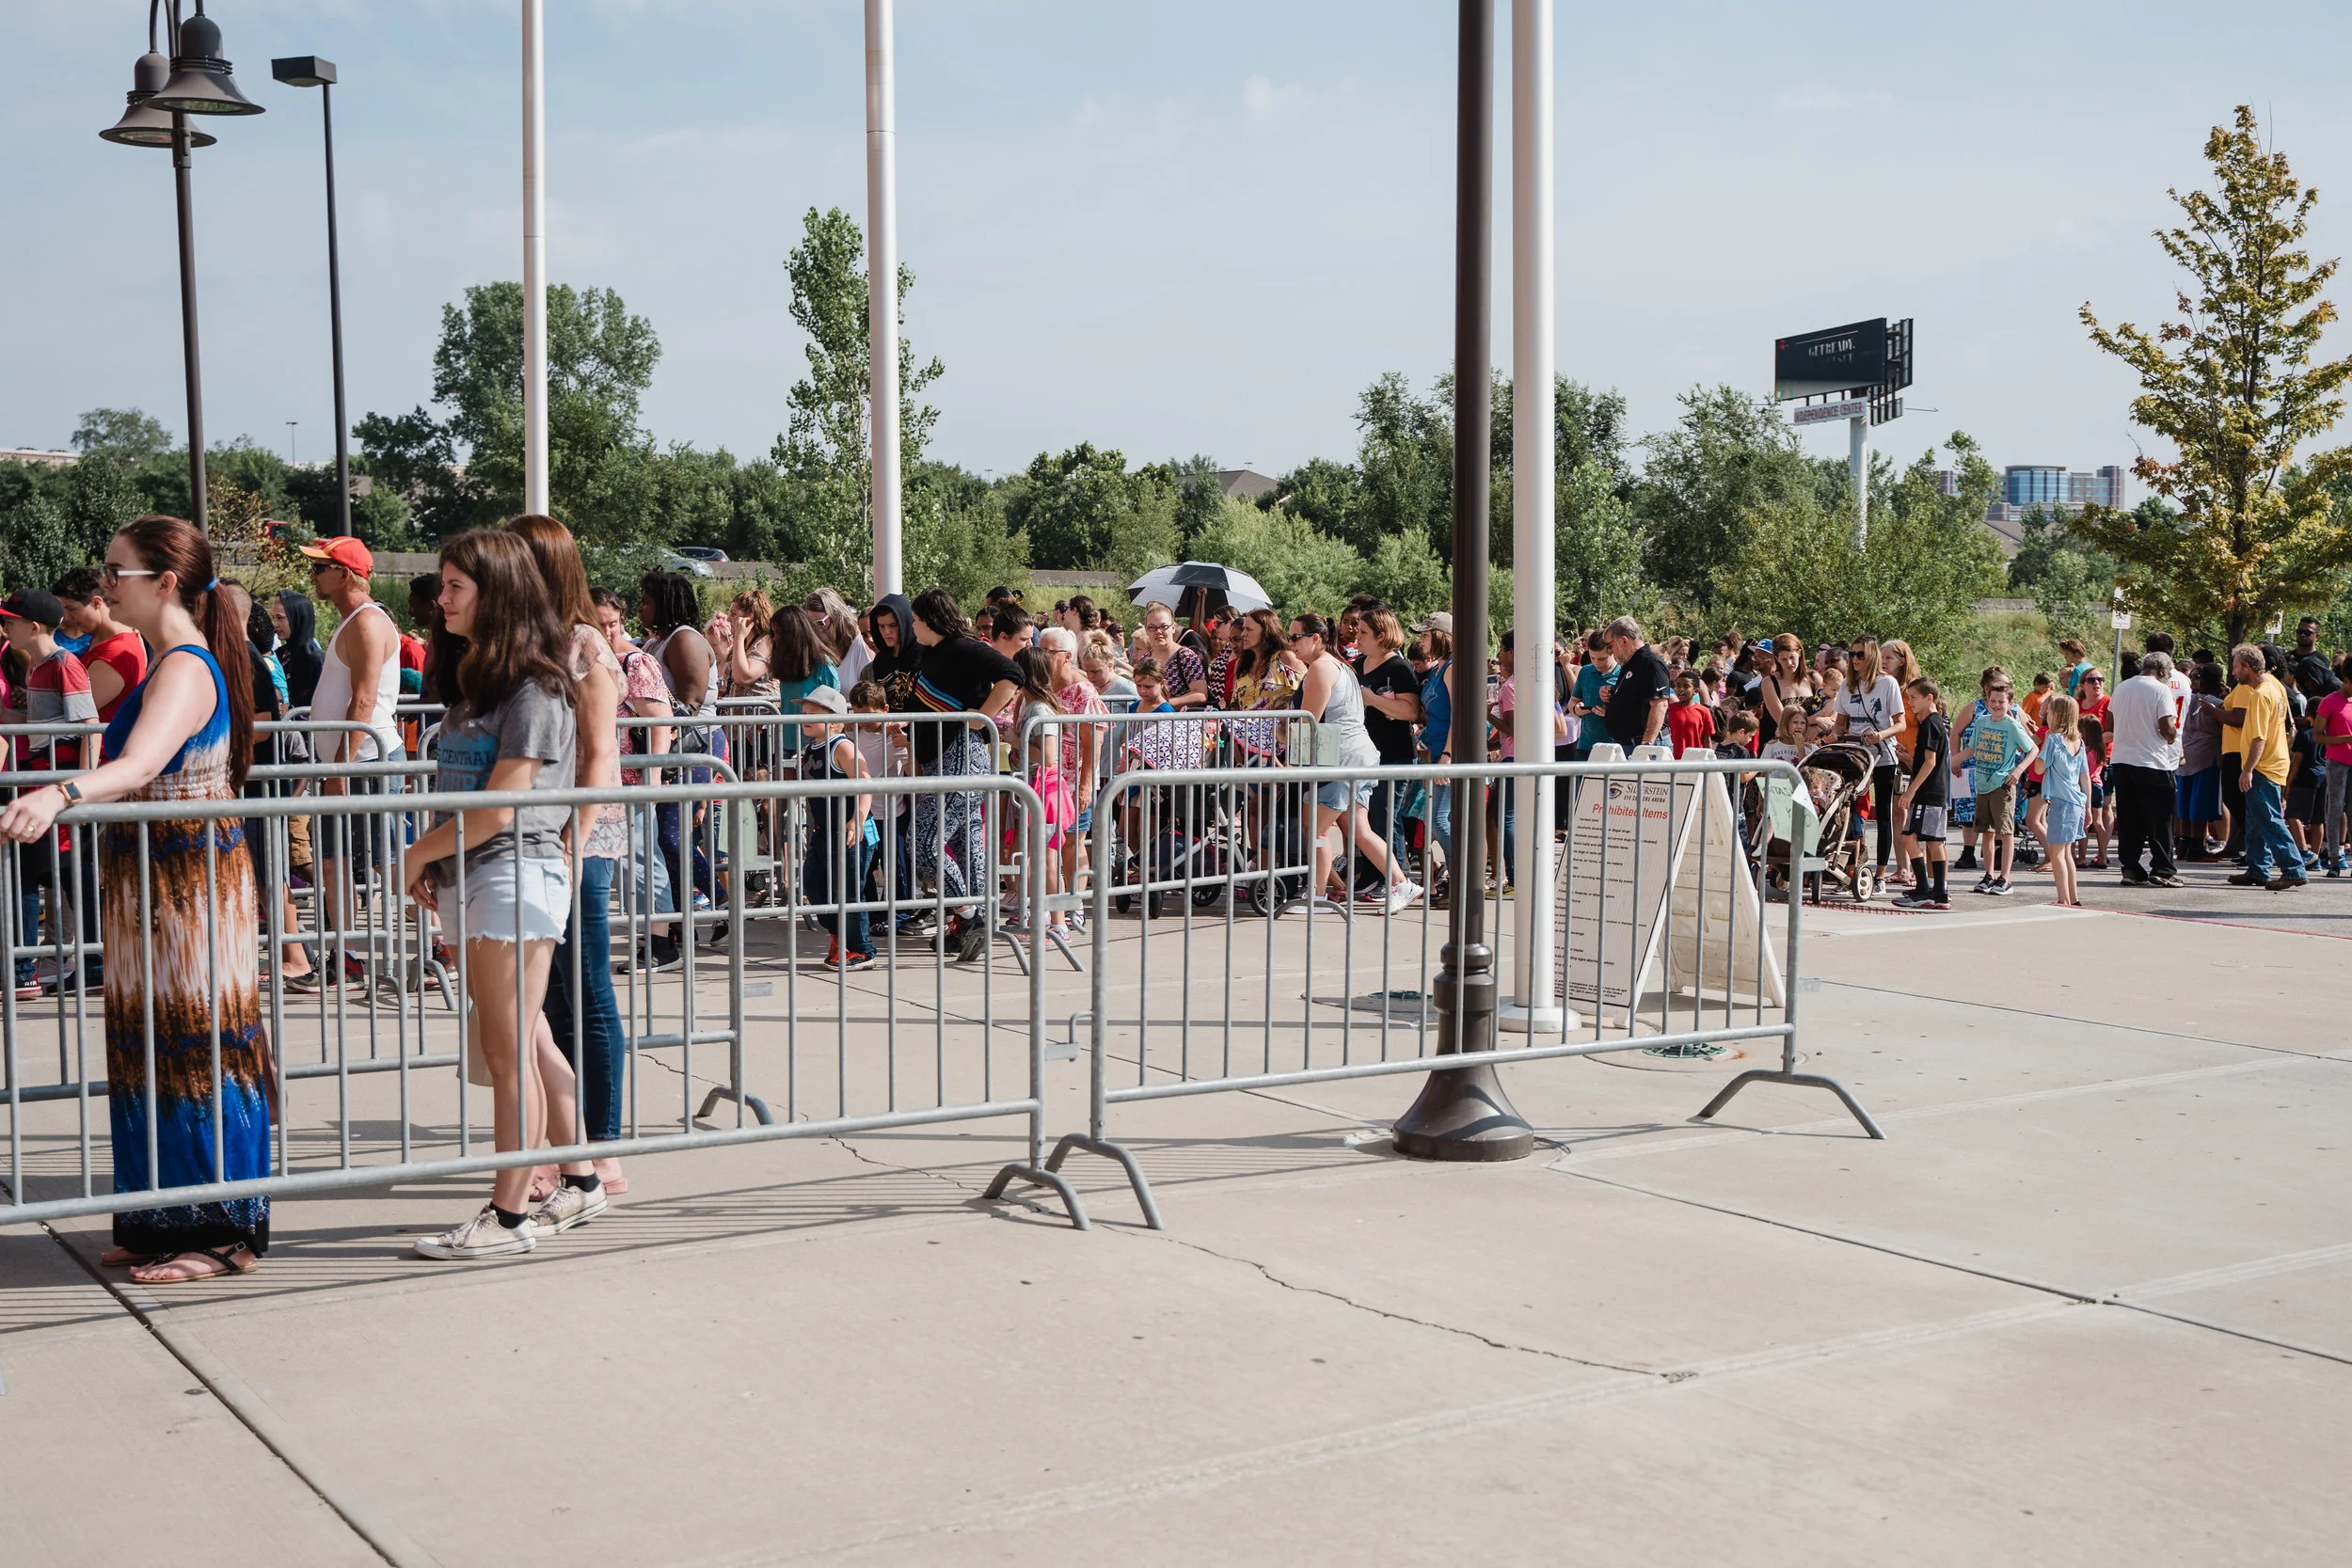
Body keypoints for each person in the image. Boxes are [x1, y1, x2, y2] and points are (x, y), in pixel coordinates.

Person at [1, 517, 265, 1283]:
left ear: (164, 582)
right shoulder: (164, 661)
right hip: (151, 880)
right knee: (147, 1046)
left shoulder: (185, 665)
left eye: (116, 571)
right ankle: (159, 1218)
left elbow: (143, 761)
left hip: (186, 883)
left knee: (197, 1045)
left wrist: (60, 792)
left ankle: (221, 1230)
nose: (104, 584)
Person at [404, 530, 593, 1259]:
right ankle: (578, 1172)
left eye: (455, 587)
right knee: (524, 1042)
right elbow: (462, 790)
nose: (441, 599)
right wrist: (433, 857)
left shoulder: (537, 688)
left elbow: (499, 806)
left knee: (508, 1049)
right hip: (478, 874)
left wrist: (419, 851)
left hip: (514, 872)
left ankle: (508, 1215)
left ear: (497, 594)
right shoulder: (483, 680)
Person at [511, 515, 630, 1196]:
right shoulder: (533, 640)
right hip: (546, 836)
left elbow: (599, 750)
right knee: (552, 996)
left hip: (581, 837)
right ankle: (570, 1144)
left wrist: (576, 833)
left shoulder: (585, 643)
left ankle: (602, 1146)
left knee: (585, 991)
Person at [294, 536, 404, 990]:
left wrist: (338, 767)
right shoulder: (352, 621)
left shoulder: (367, 622)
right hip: (348, 763)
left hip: (364, 764)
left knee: (390, 863)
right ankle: (347, 959)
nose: (314, 575)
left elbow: (364, 700)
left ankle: (444, 943)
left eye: (321, 567)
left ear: (344, 573)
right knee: (335, 862)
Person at [900, 588, 1022, 961]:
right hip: (941, 759)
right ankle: (974, 922)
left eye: (916, 620)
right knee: (968, 850)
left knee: (922, 843)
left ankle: (967, 914)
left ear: (932, 619)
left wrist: (978, 717)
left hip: (961, 758)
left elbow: (1011, 674)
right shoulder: (932, 654)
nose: (913, 626)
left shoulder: (963, 647)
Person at [0, 590, 100, 996]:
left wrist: (80, 790)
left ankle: (28, 971)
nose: (5, 627)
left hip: (58, 787)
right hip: (41, 781)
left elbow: (89, 726)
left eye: (10, 620)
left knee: (51, 873)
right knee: (61, 875)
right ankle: (91, 964)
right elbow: (30, 721)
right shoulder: (37, 667)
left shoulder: (64, 664)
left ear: (34, 627)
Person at [1292, 612, 1422, 914]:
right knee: (1360, 830)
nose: (1291, 643)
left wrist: (1286, 738)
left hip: (1343, 757)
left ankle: (1319, 896)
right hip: (1358, 754)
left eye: (1296, 636)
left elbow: (1307, 721)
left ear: (1315, 638)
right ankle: (1401, 883)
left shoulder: (1322, 668)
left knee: (1317, 829)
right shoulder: (1342, 666)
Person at [639, 570, 718, 920]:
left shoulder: (685, 640)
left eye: (646, 601)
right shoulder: (659, 640)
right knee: (661, 840)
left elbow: (690, 704)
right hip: (667, 747)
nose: (641, 609)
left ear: (666, 602)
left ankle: (721, 900)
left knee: (672, 838)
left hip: (691, 746)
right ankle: (675, 919)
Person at [795, 684, 875, 968]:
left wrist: (859, 818)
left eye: (813, 714)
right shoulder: (810, 748)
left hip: (852, 832)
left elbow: (864, 783)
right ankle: (838, 935)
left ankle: (860, 949)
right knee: (815, 884)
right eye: (803, 713)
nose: (804, 719)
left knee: (849, 890)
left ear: (835, 719)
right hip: (824, 831)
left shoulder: (842, 746)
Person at [2225, 643, 2302, 890]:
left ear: (2247, 666)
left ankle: (2294, 869)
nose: (2234, 673)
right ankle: (2258, 869)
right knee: (2256, 819)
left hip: (2264, 766)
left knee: (2268, 818)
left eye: (2236, 667)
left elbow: (2259, 738)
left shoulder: (2259, 694)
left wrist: (2247, 770)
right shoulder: (2274, 685)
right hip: (2274, 762)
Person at [1040, 627, 1105, 917]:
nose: (1040, 657)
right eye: (1038, 650)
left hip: (1073, 779)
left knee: (1073, 843)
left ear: (1066, 657)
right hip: (1047, 781)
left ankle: (1074, 902)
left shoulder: (1083, 691)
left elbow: (1094, 741)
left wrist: (1085, 784)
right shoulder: (1042, 684)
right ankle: (1054, 907)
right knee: (1049, 846)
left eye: (1047, 653)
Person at [2107, 651, 2183, 887]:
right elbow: (2167, 726)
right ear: (2162, 671)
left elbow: (2109, 724)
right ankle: (2162, 868)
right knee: (2160, 819)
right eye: (2168, 672)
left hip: (2122, 760)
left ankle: (2130, 867)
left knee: (2130, 818)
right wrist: (2172, 739)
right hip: (2152, 762)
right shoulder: (2161, 690)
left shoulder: (2122, 687)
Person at [1835, 636, 1904, 885]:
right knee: (1850, 811)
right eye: (1852, 654)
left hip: (1883, 754)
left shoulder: (1888, 684)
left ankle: (1881, 875)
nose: (1855, 659)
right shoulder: (1846, 686)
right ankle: (1851, 869)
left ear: (1872, 656)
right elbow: (1840, 723)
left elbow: (1900, 724)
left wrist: (1879, 735)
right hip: (1856, 756)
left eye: (1860, 654)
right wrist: (1833, 732)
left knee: (1883, 814)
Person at [1963, 675, 2036, 896]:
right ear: (1987, 700)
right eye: (1993, 700)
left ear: (2009, 703)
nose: (1996, 705)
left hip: (2002, 785)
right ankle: (1989, 875)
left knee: (2005, 832)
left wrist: (2018, 770)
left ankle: (2005, 878)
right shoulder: (1982, 722)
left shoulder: (2012, 726)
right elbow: (1971, 750)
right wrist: (1947, 763)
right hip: (1982, 783)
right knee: (1986, 832)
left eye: (2001, 702)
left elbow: (2032, 750)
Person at [52, 565, 148, 725]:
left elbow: (75, 711)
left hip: (102, 749)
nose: (66, 618)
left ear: (97, 602)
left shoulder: (117, 651)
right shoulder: (100, 639)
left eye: (71, 609)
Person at [1890, 677, 1952, 911]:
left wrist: (1910, 791)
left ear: (1929, 698)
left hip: (1928, 793)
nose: (1910, 702)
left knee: (1909, 836)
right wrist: (1907, 757)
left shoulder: (1929, 724)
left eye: (1914, 698)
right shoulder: (1937, 723)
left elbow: (1930, 762)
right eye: (1908, 698)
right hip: (1936, 792)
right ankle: (1939, 892)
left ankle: (1925, 889)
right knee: (1935, 842)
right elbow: (1926, 762)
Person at [2038, 693, 2089, 907]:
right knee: (2067, 852)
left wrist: (2043, 748)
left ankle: (2062, 899)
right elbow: (2084, 777)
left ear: (2056, 715)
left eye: (2048, 711)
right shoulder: (2078, 741)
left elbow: (2039, 767)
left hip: (2060, 801)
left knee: (2056, 852)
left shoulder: (2053, 739)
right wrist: (2087, 808)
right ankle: (2073, 897)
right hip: (2077, 801)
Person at [2178, 662, 2228, 861]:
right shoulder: (2217, 703)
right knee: (2200, 803)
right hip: (2208, 756)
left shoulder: (2186, 700)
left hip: (2186, 753)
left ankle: (2184, 844)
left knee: (2185, 800)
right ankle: (2198, 846)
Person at [1601, 616, 1671, 752]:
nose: (1610, 651)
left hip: (1645, 744)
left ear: (1623, 640)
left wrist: (1646, 746)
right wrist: (1612, 692)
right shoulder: (1629, 664)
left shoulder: (1651, 663)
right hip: (1628, 745)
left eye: (1610, 645)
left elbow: (1660, 705)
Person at [2312, 656, 2352, 877]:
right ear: (2345, 680)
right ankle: (2334, 858)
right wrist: (2344, 738)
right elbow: (2317, 737)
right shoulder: (2330, 701)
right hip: (2336, 761)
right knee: (2335, 808)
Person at [1136, 602, 1207, 710]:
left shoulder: (1186, 657)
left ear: (1173, 627)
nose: (1158, 631)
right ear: (1146, 630)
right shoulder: (1144, 660)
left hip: (1179, 723)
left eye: (1164, 626)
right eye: (1152, 627)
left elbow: (1201, 695)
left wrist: (1163, 705)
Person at [804, 587, 872, 689]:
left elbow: (871, 694)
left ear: (836, 615)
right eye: (811, 624)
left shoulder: (859, 643)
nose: (816, 629)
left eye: (820, 623)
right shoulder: (814, 646)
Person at [272, 587, 324, 708]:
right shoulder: (280, 655)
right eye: (273, 618)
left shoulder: (315, 660)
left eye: (280, 618)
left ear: (297, 617)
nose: (275, 624)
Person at [1665, 668, 1717, 758]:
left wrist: (1710, 761)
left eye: (1686, 686)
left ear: (1695, 691)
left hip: (1696, 760)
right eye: (1678, 686)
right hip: (1672, 760)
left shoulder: (1704, 712)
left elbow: (1706, 739)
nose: (1681, 689)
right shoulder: (1669, 709)